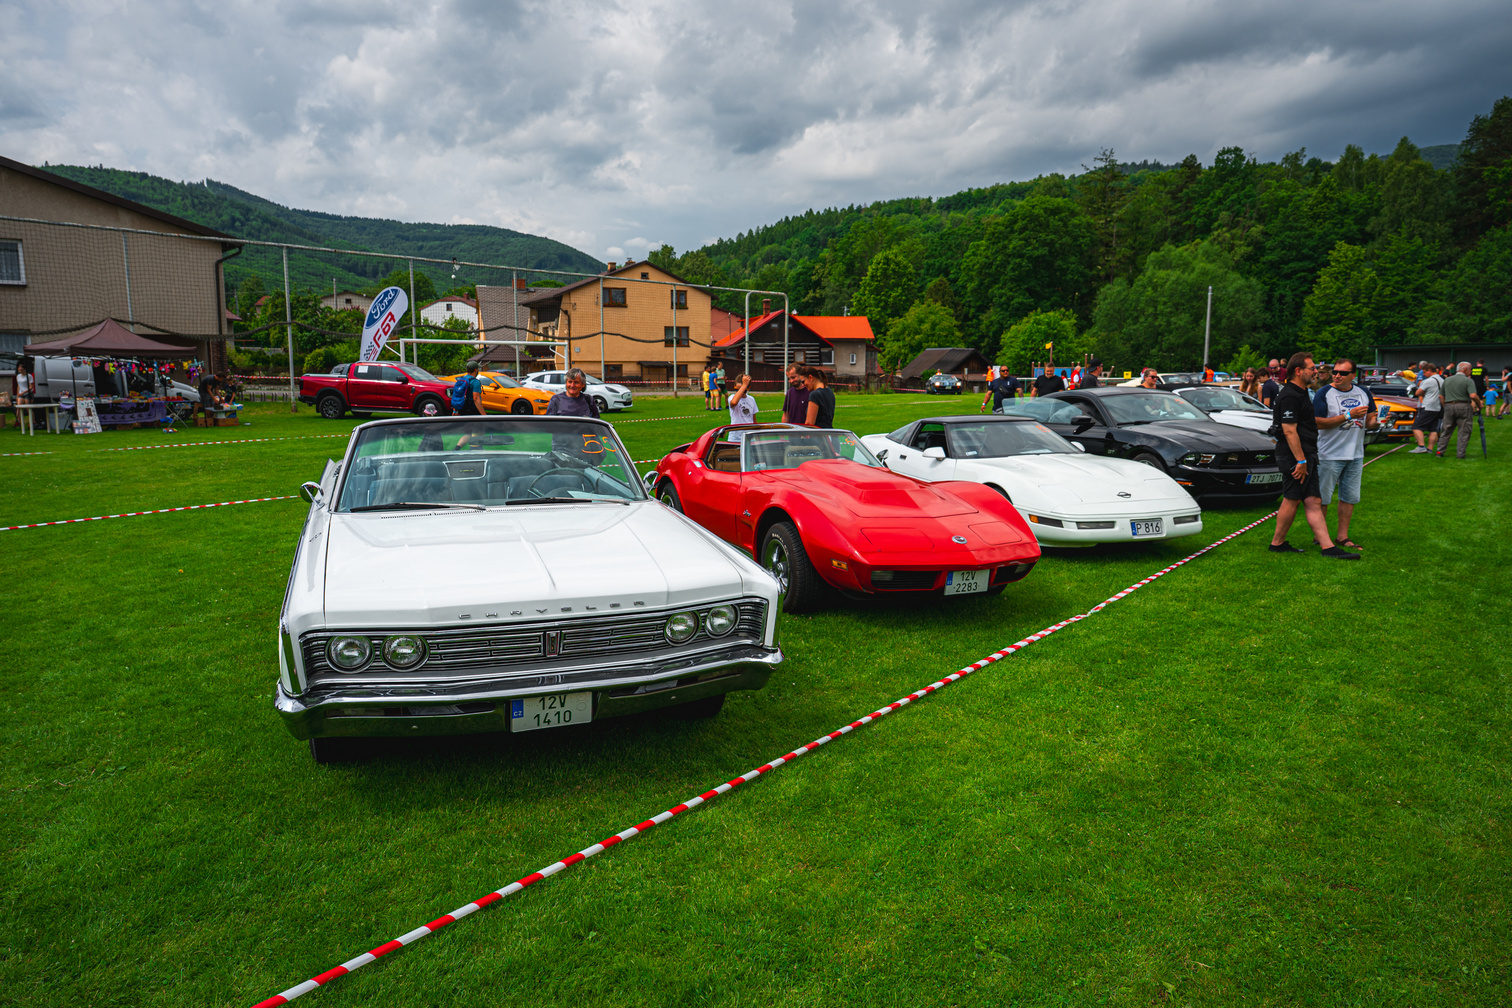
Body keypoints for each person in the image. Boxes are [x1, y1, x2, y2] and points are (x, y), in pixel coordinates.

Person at [1268, 352, 1359, 559]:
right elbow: (1289, 431)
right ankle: (1277, 543)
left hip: (1307, 453)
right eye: (1312, 368)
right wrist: (1300, 460)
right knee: (1292, 499)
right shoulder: (1290, 395)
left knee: (1313, 500)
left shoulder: (1301, 393)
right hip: (1295, 455)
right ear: (1298, 371)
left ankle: (1328, 547)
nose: (1316, 372)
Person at [1313, 359, 1376, 550]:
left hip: (1355, 454)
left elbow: (1370, 420)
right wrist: (1349, 415)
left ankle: (1342, 537)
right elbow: (1317, 422)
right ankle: (1320, 537)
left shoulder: (1363, 392)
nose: (1337, 376)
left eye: (1342, 373)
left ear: (1353, 375)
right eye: (1335, 372)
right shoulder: (1324, 393)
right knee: (1323, 498)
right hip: (1329, 453)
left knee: (1349, 497)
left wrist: (1378, 421)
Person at [1436, 362, 1482, 458]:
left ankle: (1440, 452)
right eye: (1470, 370)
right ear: (1465, 369)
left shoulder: (1447, 380)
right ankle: (1460, 454)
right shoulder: (1468, 380)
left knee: (1446, 430)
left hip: (1449, 405)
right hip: (1463, 405)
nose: (1470, 372)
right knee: (1464, 431)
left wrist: (1445, 406)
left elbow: (1441, 396)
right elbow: (1473, 395)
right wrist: (1479, 404)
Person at [1409, 363, 1444, 453]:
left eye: (1424, 372)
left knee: (1416, 426)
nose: (1424, 374)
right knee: (1433, 429)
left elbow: (1418, 393)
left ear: (1429, 371)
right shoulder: (1442, 380)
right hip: (1437, 407)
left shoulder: (1428, 381)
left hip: (1428, 406)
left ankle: (1421, 446)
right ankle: (1430, 449)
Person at [9, 361, 34, 428]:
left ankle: (32, 422)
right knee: (19, 407)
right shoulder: (18, 376)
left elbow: (31, 387)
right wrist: (18, 394)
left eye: (21, 369)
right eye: (19, 369)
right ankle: (18, 421)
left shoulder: (29, 376)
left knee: (28, 408)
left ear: (24, 369)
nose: (20, 370)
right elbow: (19, 386)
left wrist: (23, 392)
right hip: (21, 393)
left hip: (28, 393)